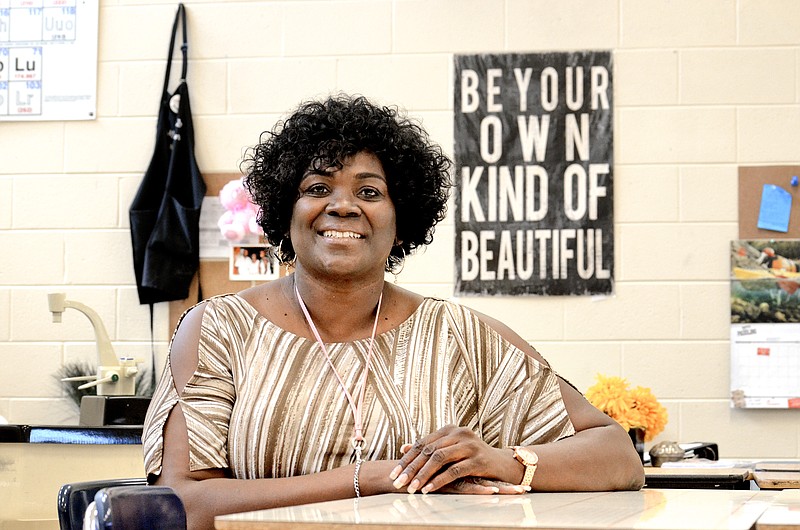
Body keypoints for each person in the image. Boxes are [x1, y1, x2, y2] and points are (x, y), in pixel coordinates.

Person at [142, 94, 644, 530]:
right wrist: (375, 480)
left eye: (369, 191)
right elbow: (185, 505)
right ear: (282, 213)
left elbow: (617, 456)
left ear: (401, 222)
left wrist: (504, 462)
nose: (343, 206)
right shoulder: (219, 330)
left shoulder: (462, 336)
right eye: (318, 188)